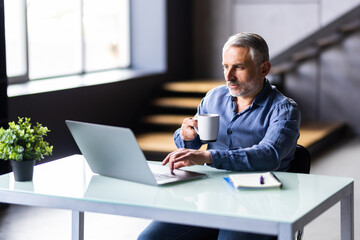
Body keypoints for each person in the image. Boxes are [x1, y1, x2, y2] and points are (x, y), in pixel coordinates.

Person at [138, 32, 301, 240]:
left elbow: (269, 155)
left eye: (238, 67)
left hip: (259, 203)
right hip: (208, 197)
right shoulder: (215, 96)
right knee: (149, 239)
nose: (228, 76)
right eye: (225, 67)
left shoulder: (284, 109)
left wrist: (209, 158)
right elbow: (194, 141)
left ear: (264, 69)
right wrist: (187, 136)